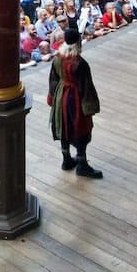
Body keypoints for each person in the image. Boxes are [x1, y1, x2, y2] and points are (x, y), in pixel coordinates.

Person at [47, 26, 102, 179]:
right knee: (80, 129)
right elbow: (87, 87)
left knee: (63, 126)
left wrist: (52, 97)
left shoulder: (57, 58)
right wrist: (90, 107)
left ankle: (66, 160)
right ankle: (82, 166)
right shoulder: (80, 63)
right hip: (75, 99)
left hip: (61, 96)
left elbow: (53, 80)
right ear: (78, 42)